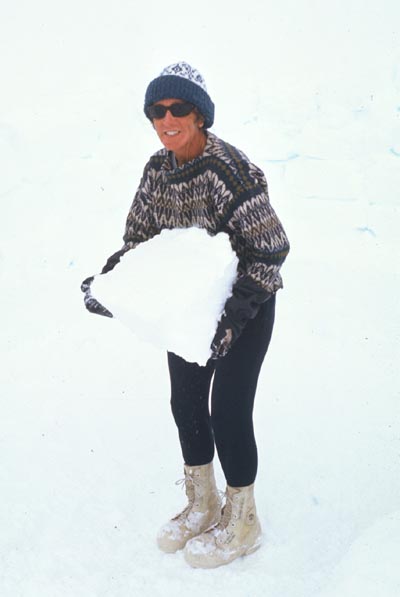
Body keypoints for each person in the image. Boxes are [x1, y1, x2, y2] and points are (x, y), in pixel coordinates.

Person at [81, 62, 290, 568]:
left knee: (228, 411)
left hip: (247, 301)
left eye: (179, 109)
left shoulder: (231, 172)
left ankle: (243, 521)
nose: (167, 119)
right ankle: (203, 502)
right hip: (190, 307)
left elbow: (271, 250)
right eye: (158, 111)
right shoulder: (158, 171)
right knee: (186, 403)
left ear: (200, 116)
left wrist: (235, 318)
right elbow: (139, 243)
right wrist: (111, 284)